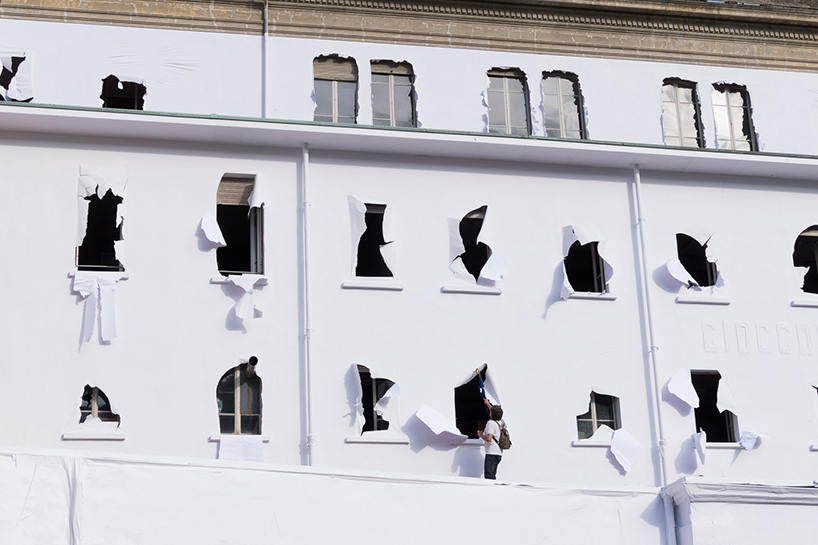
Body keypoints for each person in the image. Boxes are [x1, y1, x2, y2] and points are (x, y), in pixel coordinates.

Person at [477, 405, 504, 480]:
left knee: (489, 476)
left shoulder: (491, 423)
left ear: (491, 414)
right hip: (498, 453)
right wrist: (487, 403)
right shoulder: (500, 423)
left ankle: (492, 491)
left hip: (492, 453)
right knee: (492, 475)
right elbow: (494, 411)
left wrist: (481, 435)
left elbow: (489, 438)